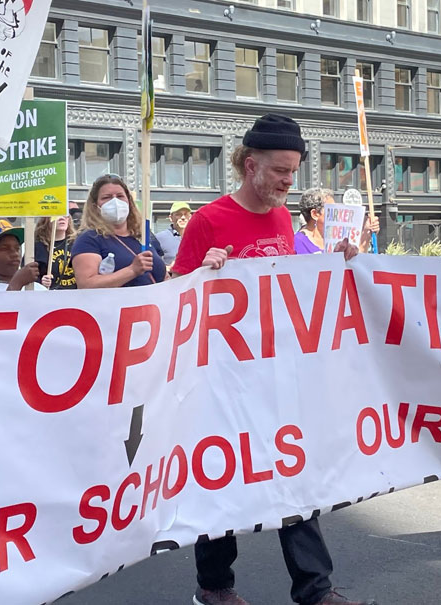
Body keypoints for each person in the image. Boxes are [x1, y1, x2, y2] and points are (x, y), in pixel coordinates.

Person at [171, 113, 369, 605]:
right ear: (249, 163)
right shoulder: (208, 220)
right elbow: (172, 298)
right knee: (221, 477)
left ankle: (315, 588)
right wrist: (203, 272)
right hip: (222, 379)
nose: (288, 181)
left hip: (279, 374)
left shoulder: (282, 217)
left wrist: (334, 262)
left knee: (294, 476)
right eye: (280, 170)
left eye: (293, 170)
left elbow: (294, 285)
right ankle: (214, 586)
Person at [71, 174, 167, 288]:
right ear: (95, 206)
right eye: (106, 197)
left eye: (120, 196)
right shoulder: (89, 239)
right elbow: (87, 284)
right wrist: (132, 270)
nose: (115, 202)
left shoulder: (144, 236)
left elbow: (163, 277)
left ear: (129, 202)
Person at [0, 220, 44, 291]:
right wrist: (17, 283)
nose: (15, 254)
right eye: (4, 248)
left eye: (17, 248)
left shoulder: (38, 289)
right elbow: (6, 302)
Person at [36, 205, 78, 290]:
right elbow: (28, 275)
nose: (62, 218)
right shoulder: (38, 247)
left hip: (75, 296)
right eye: (57, 215)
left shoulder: (77, 244)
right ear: (46, 220)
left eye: (65, 215)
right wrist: (41, 282)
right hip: (50, 297)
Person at [294, 188, 333, 254]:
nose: (337, 213)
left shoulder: (337, 239)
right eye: (331, 209)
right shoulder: (297, 243)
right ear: (315, 214)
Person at [155, 202, 193, 266]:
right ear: (171, 218)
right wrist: (168, 269)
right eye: (178, 214)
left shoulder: (197, 238)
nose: (183, 217)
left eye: (186, 214)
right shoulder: (159, 238)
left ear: (190, 217)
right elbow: (152, 266)